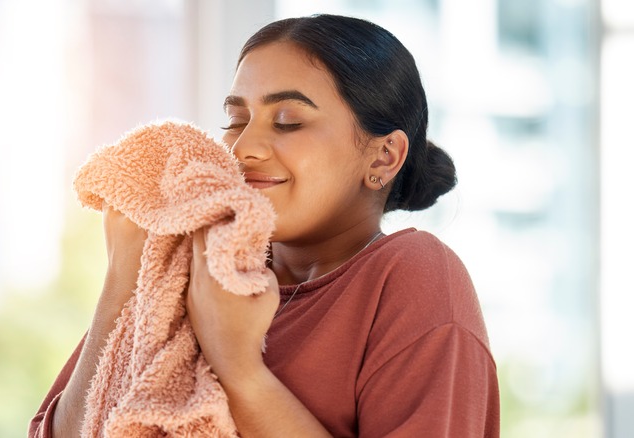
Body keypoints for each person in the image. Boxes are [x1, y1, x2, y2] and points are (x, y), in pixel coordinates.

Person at [30, 14, 500, 438]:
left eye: (288, 121)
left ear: (384, 156)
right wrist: (121, 283)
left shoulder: (413, 275)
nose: (244, 148)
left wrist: (239, 368)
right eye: (236, 120)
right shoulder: (195, 263)